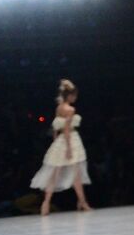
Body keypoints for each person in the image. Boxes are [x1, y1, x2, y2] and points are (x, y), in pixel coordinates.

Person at [31, 78, 93, 216]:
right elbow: (66, 128)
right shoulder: (70, 109)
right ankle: (82, 202)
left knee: (56, 173)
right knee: (75, 174)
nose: (75, 98)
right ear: (69, 95)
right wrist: (69, 148)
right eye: (74, 95)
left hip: (60, 141)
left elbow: (55, 127)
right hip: (71, 140)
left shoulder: (59, 108)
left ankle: (47, 202)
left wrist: (55, 141)